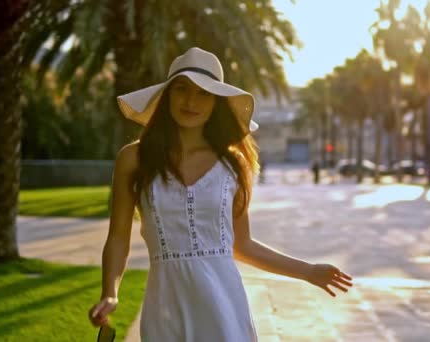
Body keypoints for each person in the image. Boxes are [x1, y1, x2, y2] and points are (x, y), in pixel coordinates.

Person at [87, 47, 353, 341]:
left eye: (204, 93)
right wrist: (110, 293)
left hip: (224, 304)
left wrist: (308, 271)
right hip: (166, 304)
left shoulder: (232, 165)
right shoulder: (134, 158)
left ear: (217, 102)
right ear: (167, 96)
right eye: (182, 89)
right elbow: (118, 238)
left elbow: (243, 245)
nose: (191, 101)